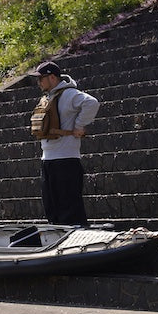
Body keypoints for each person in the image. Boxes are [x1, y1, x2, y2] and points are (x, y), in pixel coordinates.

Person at [29, 61, 100, 225]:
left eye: (41, 78)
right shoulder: (49, 97)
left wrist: (79, 125)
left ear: (52, 77)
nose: (38, 82)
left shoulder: (69, 94)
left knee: (70, 209)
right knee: (52, 207)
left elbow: (92, 102)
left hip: (66, 160)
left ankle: (78, 241)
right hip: (48, 161)